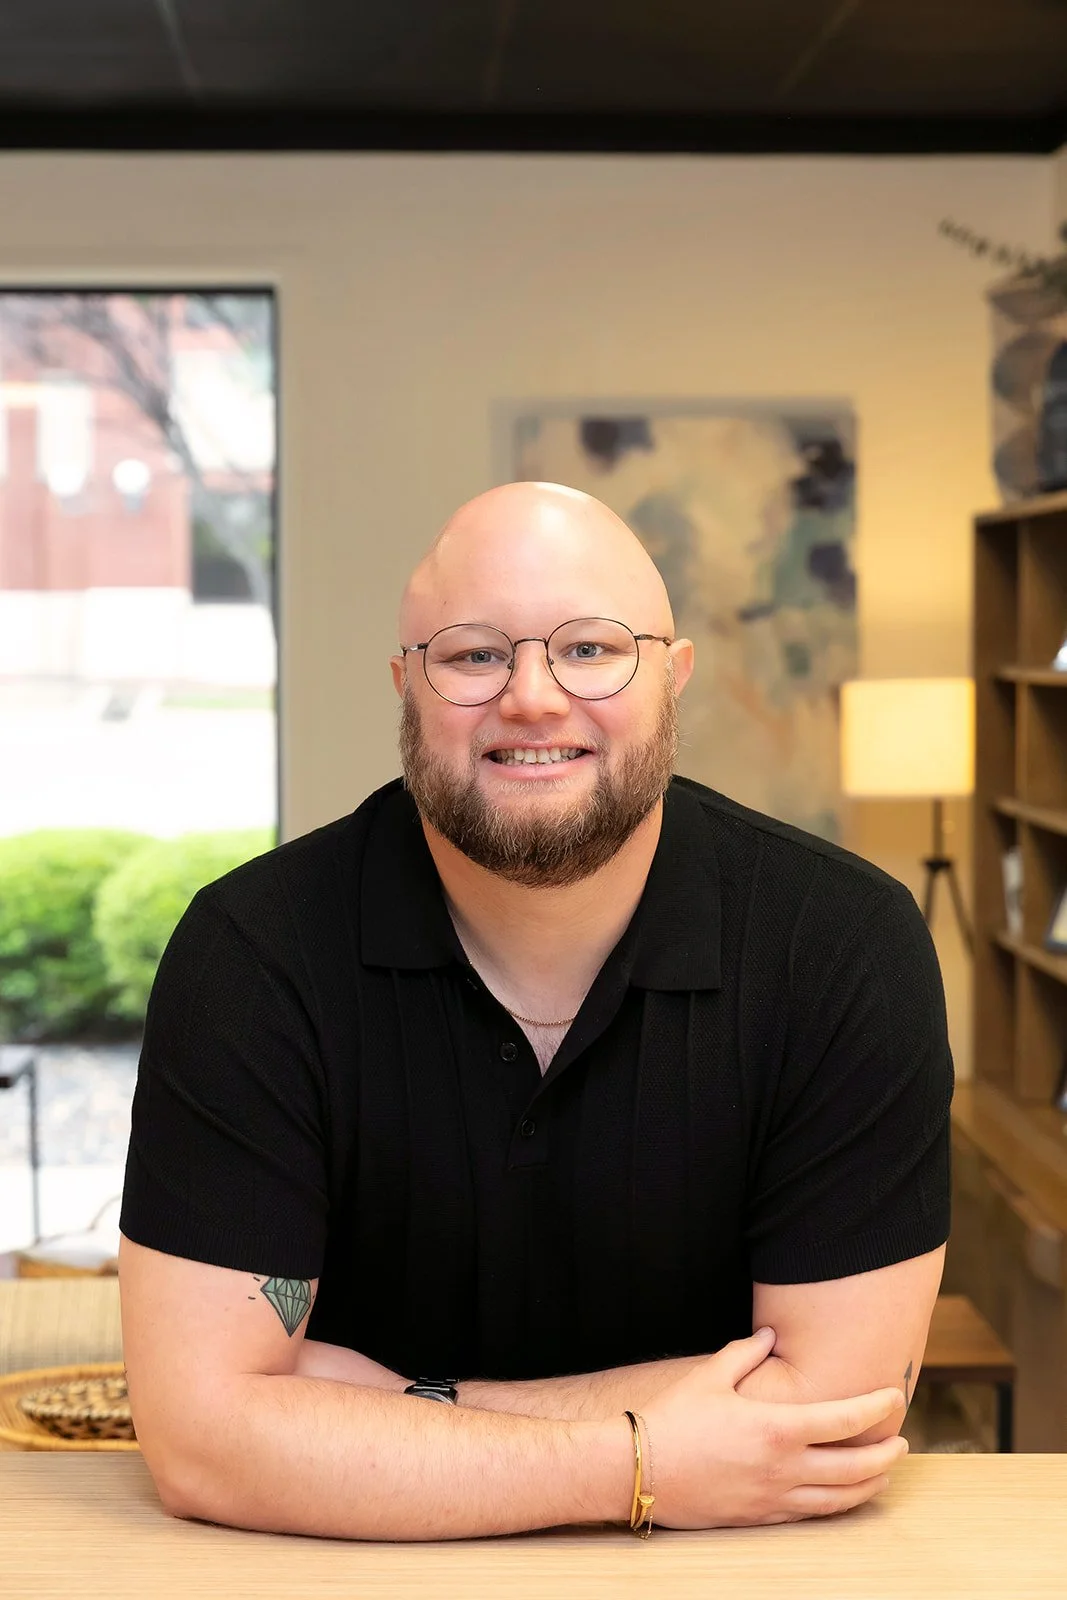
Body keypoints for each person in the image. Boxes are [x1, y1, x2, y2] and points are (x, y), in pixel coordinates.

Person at [119, 481, 951, 1542]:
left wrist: (375, 1410)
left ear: (672, 676)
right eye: (472, 654)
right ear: (405, 686)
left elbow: (831, 1423)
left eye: (591, 649)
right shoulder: (252, 955)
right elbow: (200, 1440)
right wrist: (639, 1458)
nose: (532, 697)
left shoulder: (841, 948)